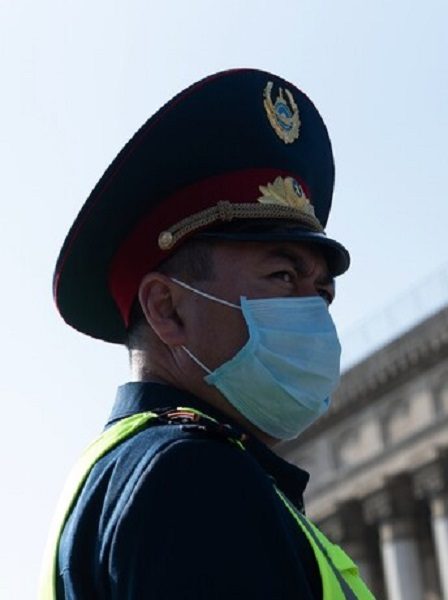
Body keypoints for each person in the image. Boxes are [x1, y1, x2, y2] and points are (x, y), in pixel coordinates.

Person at [40, 69, 374, 599]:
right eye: (282, 277)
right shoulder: (192, 478)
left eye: (322, 292)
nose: (312, 312)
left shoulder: (122, 471)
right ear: (167, 309)